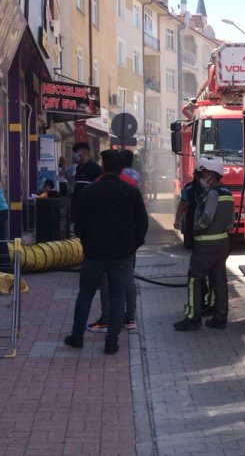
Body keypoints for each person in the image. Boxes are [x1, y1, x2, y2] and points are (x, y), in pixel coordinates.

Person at [65, 149, 147, 354]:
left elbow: (79, 224)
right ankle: (112, 342)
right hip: (122, 253)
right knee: (118, 296)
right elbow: (142, 223)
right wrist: (133, 244)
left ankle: (77, 337)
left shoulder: (90, 191)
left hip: (94, 253)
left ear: (103, 166)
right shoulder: (131, 191)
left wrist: (86, 243)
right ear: (122, 169)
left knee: (85, 294)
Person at [174, 157, 235, 331]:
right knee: (219, 280)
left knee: (194, 279)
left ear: (212, 175)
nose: (200, 177)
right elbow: (231, 221)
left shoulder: (213, 193)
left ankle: (193, 318)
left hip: (206, 246)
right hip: (222, 244)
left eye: (203, 174)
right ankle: (220, 318)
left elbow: (207, 217)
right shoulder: (228, 193)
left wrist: (196, 227)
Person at [70, 142, 102, 226]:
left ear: (84, 152)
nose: (74, 155)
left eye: (76, 152)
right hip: (77, 208)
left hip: (89, 209)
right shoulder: (78, 168)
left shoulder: (95, 169)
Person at [174, 167, 202, 250]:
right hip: (192, 219)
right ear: (196, 176)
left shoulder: (210, 187)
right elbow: (182, 204)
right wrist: (177, 220)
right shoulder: (188, 188)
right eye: (202, 176)